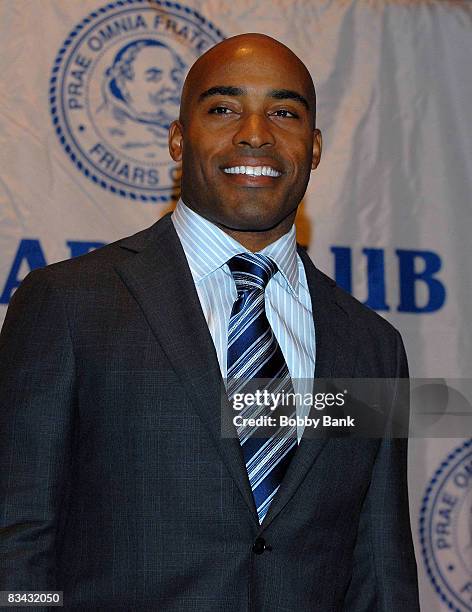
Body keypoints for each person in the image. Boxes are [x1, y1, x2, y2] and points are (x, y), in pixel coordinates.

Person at [0, 33, 419, 610]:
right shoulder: (69, 304)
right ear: (178, 138)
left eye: (284, 112)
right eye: (223, 108)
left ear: (314, 146)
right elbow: (17, 540)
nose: (255, 132)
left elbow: (381, 572)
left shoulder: (374, 348)